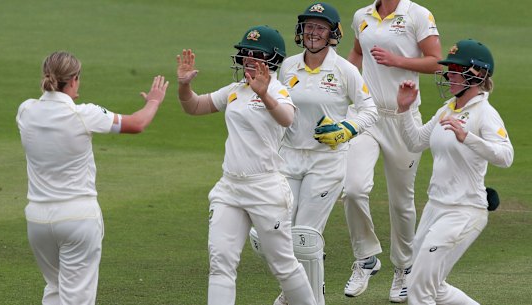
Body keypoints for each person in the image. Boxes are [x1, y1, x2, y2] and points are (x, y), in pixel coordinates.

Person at [176, 25, 317, 305]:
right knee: (220, 262)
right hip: (230, 187)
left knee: (283, 266)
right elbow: (194, 107)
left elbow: (287, 119)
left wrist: (264, 95)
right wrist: (184, 85)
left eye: (256, 55)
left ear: (272, 60)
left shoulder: (278, 90)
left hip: (265, 187)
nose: (248, 59)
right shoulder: (235, 90)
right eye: (245, 53)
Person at [16, 51, 168, 305]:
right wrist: (154, 101)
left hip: (37, 220)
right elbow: (137, 124)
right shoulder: (84, 114)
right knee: (77, 298)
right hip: (78, 217)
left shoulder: (25, 110)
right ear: (74, 79)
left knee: (55, 288)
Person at [272, 3, 378, 305]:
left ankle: (309, 298)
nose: (313, 33)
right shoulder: (288, 66)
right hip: (289, 158)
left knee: (305, 235)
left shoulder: (345, 70)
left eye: (320, 28)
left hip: (326, 161)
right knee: (281, 232)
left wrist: (347, 128)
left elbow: (370, 110)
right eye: (309, 26)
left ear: (332, 33)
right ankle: (297, 291)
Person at [396, 38, 513, 305]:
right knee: (432, 287)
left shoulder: (485, 113)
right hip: (435, 207)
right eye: (449, 68)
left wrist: (468, 137)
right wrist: (404, 110)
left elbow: (505, 156)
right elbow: (415, 141)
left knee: (418, 289)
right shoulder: (446, 109)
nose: (448, 75)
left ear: (477, 75)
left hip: (463, 211)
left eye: (455, 70)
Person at [342, 0, 442, 302]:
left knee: (402, 202)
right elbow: (357, 54)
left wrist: (397, 61)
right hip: (367, 115)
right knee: (353, 189)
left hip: (403, 116)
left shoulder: (417, 15)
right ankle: (366, 258)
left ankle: (404, 268)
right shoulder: (362, 16)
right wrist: (344, 86)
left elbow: (436, 61)